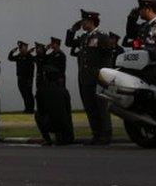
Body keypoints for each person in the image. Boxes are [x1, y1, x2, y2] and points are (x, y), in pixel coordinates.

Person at [67, 9, 113, 145]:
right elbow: (69, 43)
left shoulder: (102, 37)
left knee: (101, 108)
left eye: (84, 21)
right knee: (90, 108)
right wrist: (72, 30)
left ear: (91, 21)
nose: (82, 24)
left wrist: (104, 75)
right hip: (84, 78)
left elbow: (107, 57)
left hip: (97, 78)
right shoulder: (84, 38)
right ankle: (96, 134)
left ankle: (106, 135)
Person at [34, 38, 75, 145]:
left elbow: (61, 70)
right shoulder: (51, 55)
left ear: (57, 44)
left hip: (57, 81)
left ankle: (58, 136)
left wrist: (58, 81)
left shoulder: (61, 55)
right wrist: (44, 51)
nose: (51, 45)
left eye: (53, 44)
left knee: (56, 106)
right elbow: (41, 60)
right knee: (56, 107)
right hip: (51, 83)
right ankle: (61, 135)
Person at [7, 40, 35, 113]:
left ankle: (30, 109)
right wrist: (12, 51)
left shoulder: (29, 56)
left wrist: (30, 79)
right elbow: (10, 58)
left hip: (27, 79)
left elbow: (31, 69)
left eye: (21, 47)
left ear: (25, 47)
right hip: (20, 79)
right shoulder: (19, 56)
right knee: (24, 94)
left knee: (28, 94)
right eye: (19, 48)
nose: (19, 49)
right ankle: (27, 108)